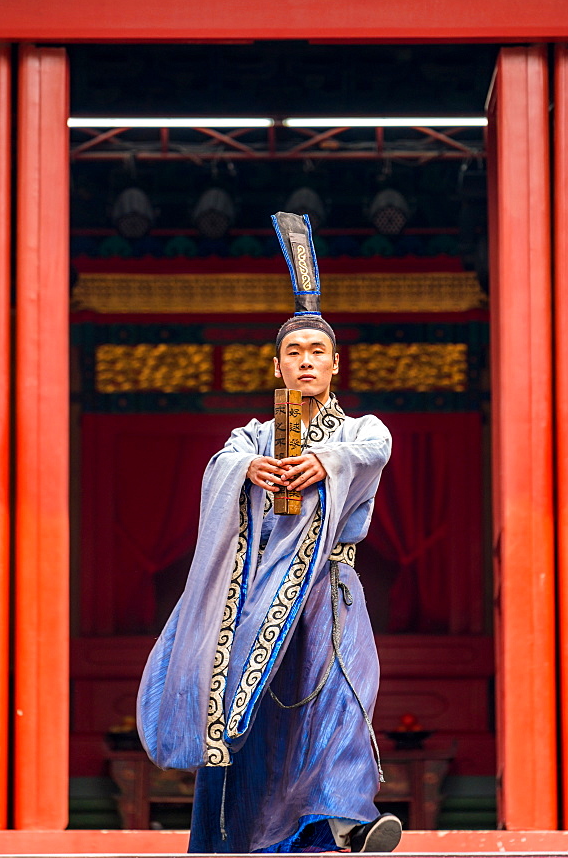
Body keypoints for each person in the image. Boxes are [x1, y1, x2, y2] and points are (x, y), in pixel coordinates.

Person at [137, 214, 401, 853]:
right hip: (261, 602)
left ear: (337, 364)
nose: (306, 362)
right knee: (257, 720)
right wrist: (248, 472)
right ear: (277, 365)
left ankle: (345, 821)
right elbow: (219, 470)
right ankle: (257, 835)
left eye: (317, 353)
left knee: (339, 695)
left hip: (330, 593)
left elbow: (371, 452)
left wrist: (328, 461)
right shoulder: (252, 436)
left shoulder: (360, 430)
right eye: (294, 352)